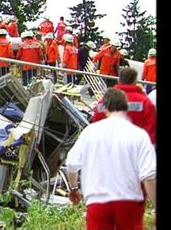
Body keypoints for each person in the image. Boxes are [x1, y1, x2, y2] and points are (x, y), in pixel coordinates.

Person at [66, 88, 156, 230]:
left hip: (97, 203)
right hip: (129, 203)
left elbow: (71, 164)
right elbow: (149, 176)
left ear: (105, 108)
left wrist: (74, 188)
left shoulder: (90, 132)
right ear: (126, 107)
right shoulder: (139, 135)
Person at [92, 67, 156, 144]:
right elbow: (151, 128)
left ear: (119, 80)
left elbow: (96, 122)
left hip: (107, 145)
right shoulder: (145, 102)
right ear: (135, 81)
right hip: (134, 147)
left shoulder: (104, 101)